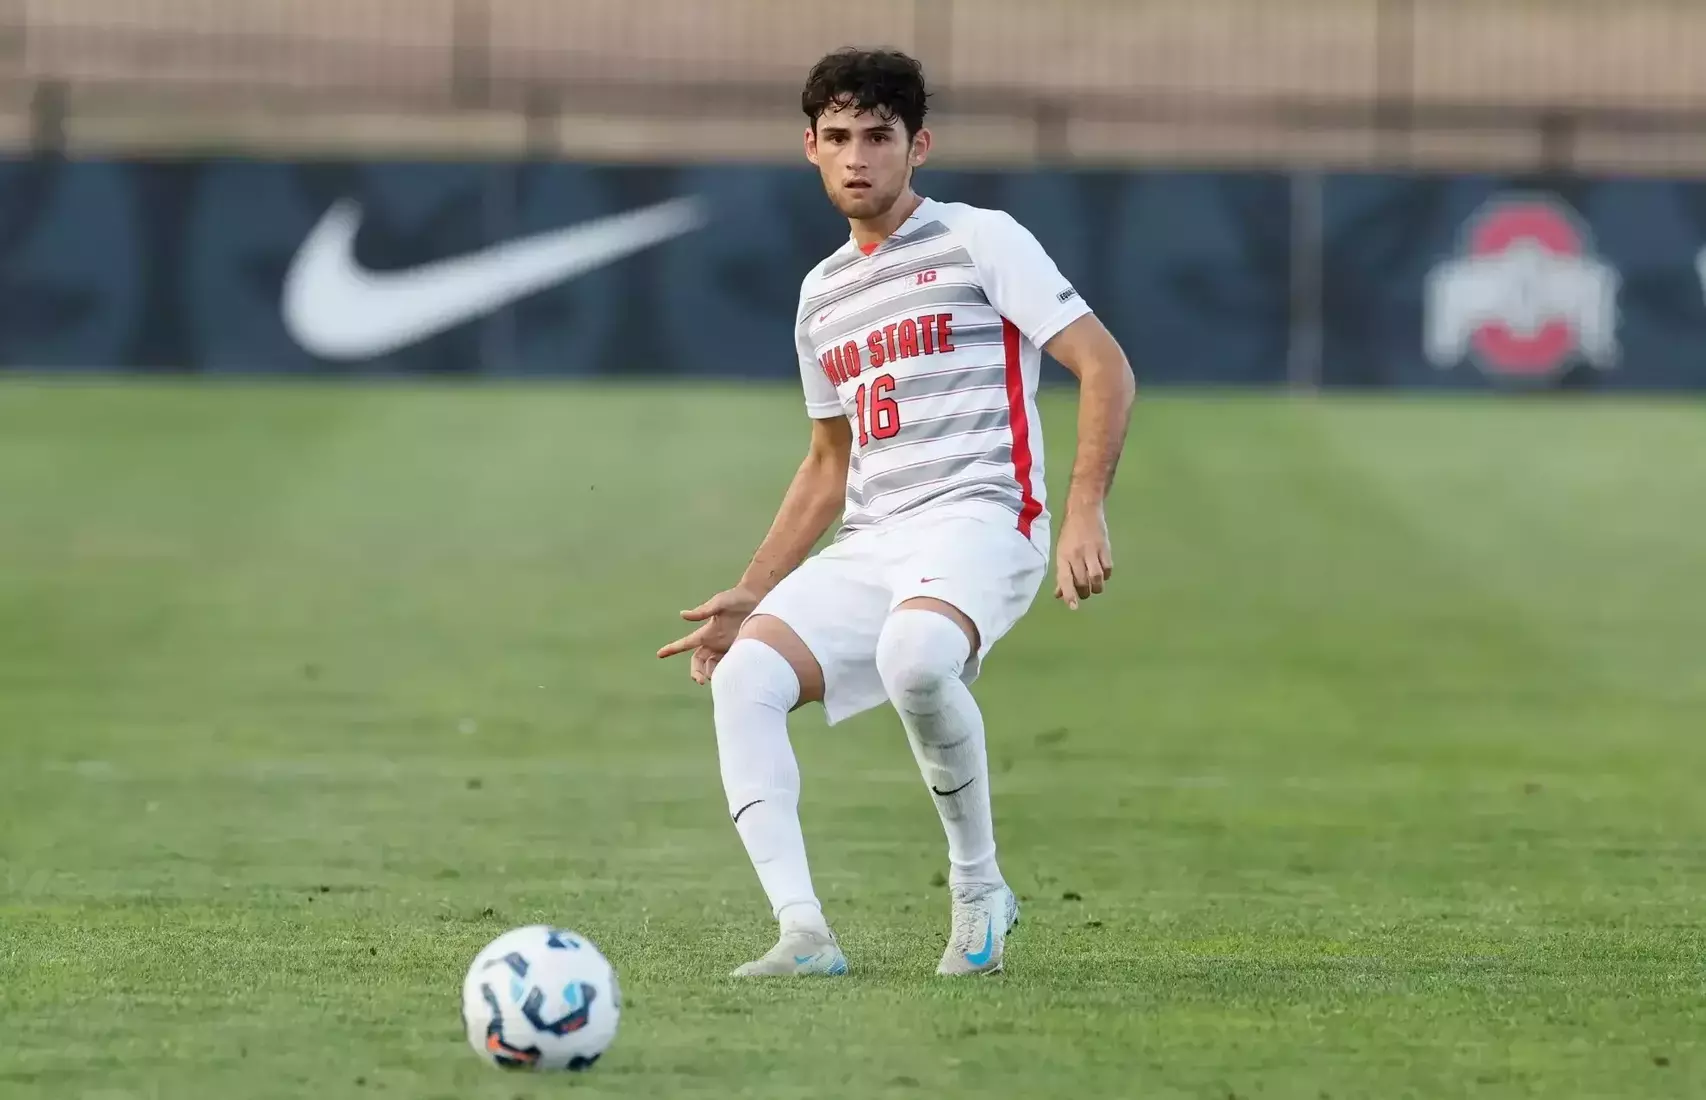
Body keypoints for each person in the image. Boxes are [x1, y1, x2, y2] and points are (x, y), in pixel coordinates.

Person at [658, 47, 1135, 977]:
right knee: (744, 677)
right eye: (837, 138)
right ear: (809, 148)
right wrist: (754, 592)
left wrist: (1085, 511)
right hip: (874, 539)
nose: (857, 157)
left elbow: (1104, 365)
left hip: (982, 517)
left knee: (913, 660)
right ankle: (802, 934)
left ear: (920, 145)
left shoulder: (980, 238)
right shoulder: (821, 296)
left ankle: (978, 887)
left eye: (878, 136)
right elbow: (828, 464)